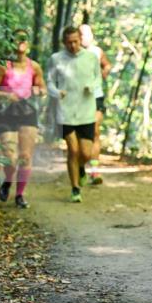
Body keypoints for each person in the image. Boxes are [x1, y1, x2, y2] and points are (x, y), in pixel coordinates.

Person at [0, 31, 46, 208]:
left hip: (28, 112)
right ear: (12, 43)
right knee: (10, 156)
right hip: (8, 112)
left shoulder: (34, 66)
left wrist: (39, 91)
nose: (20, 42)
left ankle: (20, 195)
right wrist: (7, 96)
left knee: (26, 156)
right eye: (16, 39)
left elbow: (42, 87)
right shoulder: (3, 67)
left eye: (23, 39)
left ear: (28, 44)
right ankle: (8, 180)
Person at [47, 26, 102, 203]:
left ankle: (81, 167)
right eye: (69, 42)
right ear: (64, 42)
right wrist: (56, 92)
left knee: (85, 154)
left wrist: (92, 87)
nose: (72, 45)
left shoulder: (91, 57)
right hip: (65, 111)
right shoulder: (56, 59)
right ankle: (75, 188)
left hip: (86, 110)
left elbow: (98, 78)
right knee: (73, 149)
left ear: (81, 40)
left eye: (75, 41)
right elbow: (49, 81)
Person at [79, 23, 111, 185]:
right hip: (76, 99)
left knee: (95, 132)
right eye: (81, 34)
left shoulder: (97, 51)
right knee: (80, 136)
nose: (84, 37)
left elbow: (107, 64)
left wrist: (104, 71)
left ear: (92, 36)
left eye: (87, 34)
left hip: (96, 96)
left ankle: (94, 171)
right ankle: (80, 167)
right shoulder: (72, 53)